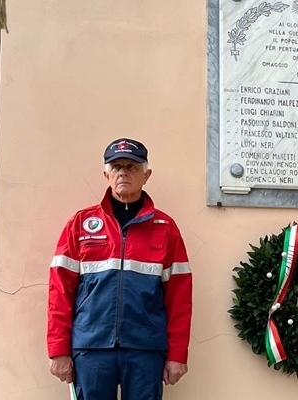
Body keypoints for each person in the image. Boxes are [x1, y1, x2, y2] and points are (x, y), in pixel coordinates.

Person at [47, 138, 193, 400]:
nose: (123, 172)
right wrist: (58, 350)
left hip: (145, 347)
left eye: (131, 166)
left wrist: (177, 354)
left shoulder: (166, 228)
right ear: (106, 174)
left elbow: (180, 298)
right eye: (116, 167)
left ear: (146, 175)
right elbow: (59, 292)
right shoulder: (80, 223)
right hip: (91, 346)